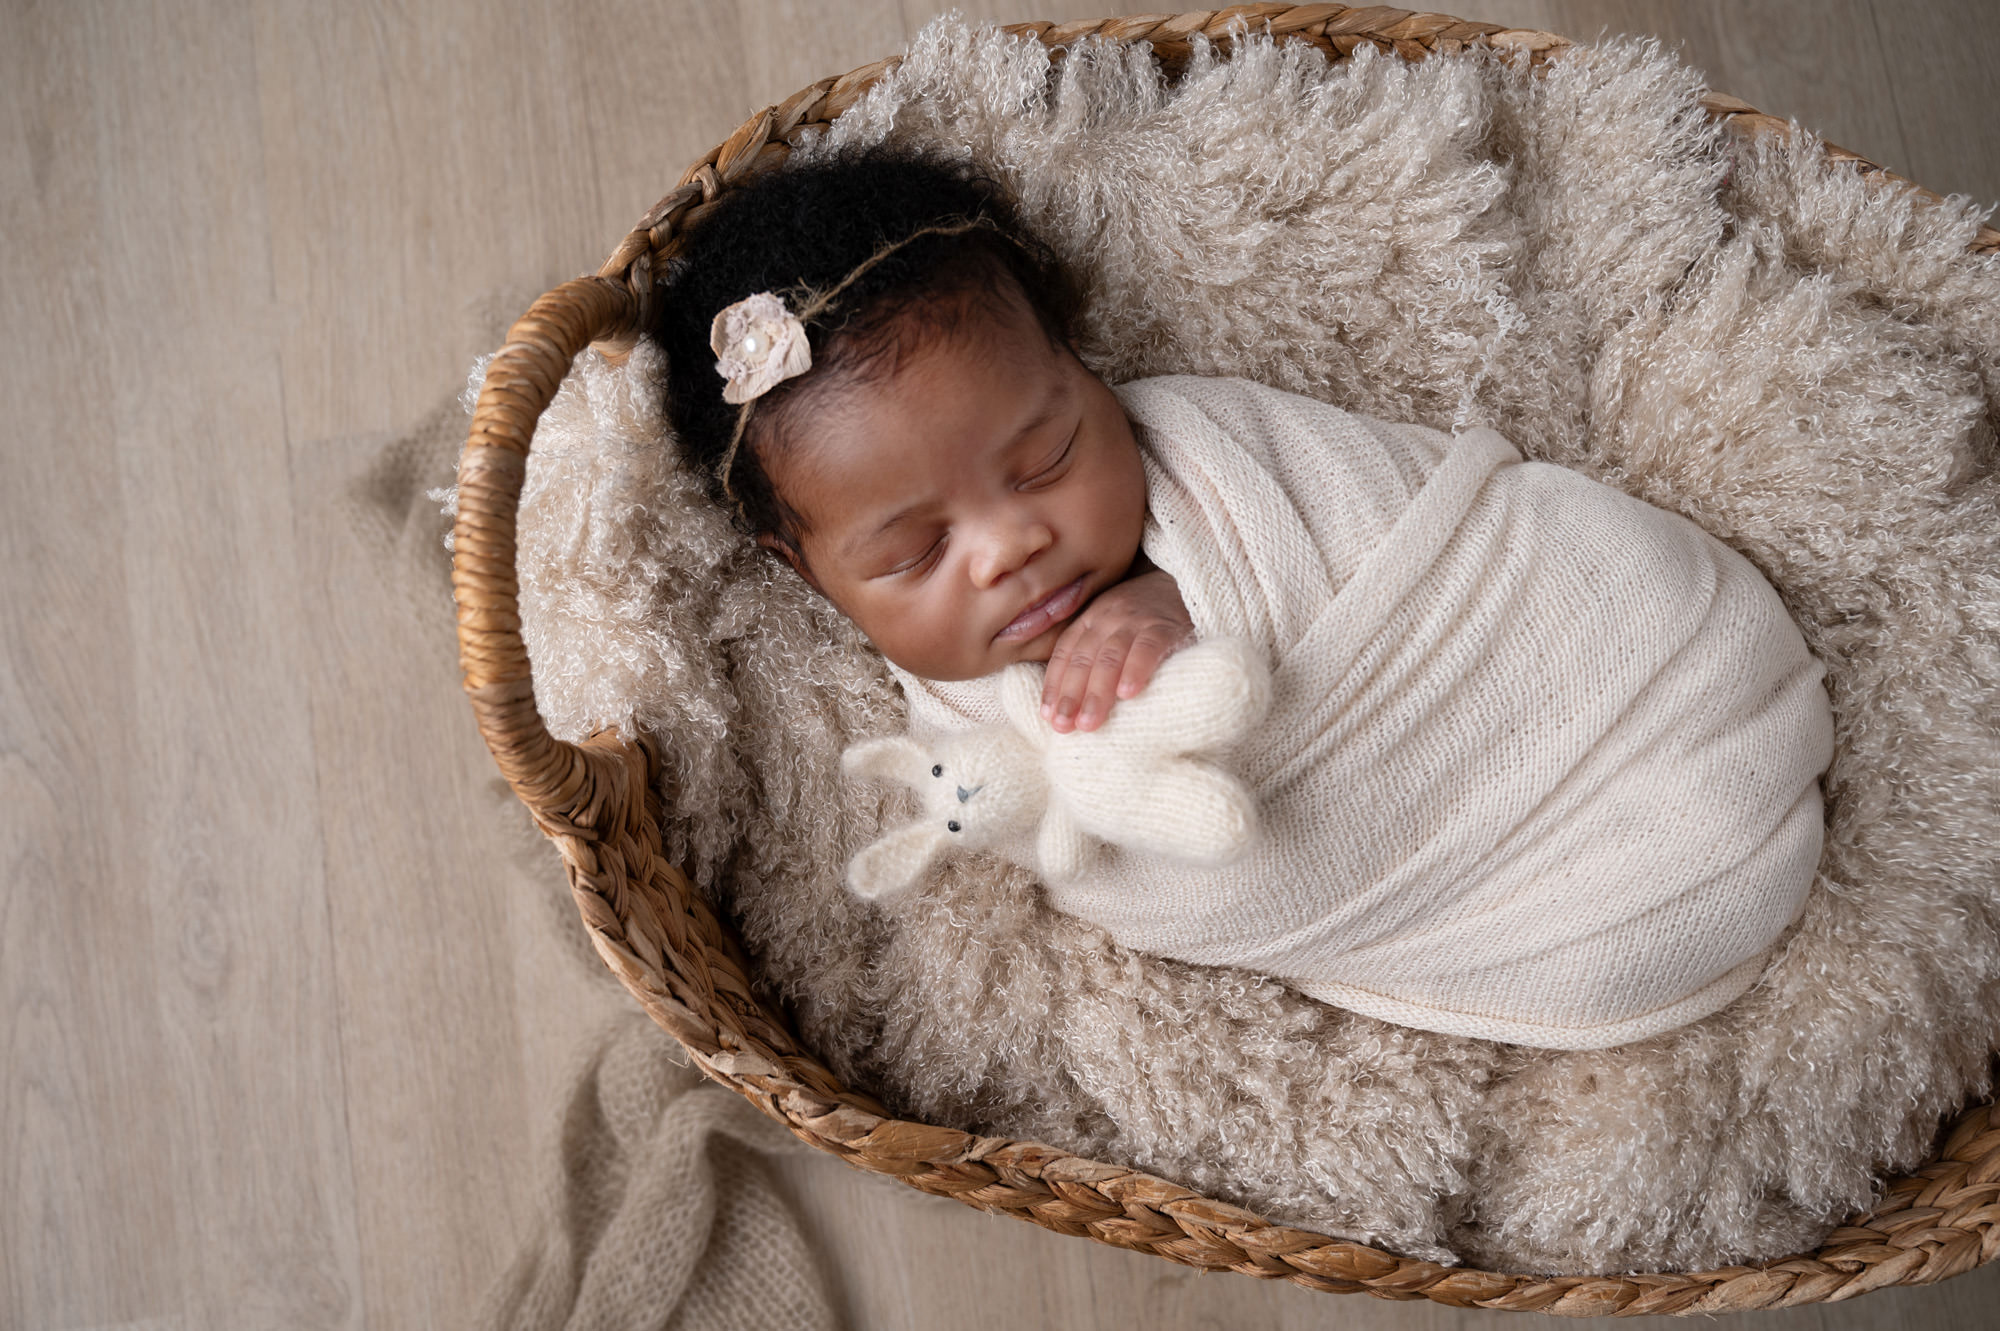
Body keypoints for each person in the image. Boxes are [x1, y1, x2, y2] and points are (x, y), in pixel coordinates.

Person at [650, 143, 1835, 1049]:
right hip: (1498, 884)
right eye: (912, 552)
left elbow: (1368, 524)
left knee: (1638, 611)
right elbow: (1061, 834)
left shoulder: (1213, 454)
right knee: (1595, 961)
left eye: (1046, 457)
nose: (1010, 544)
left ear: (1086, 376)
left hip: (1633, 671)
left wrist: (1174, 597)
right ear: (801, 566)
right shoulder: (935, 703)